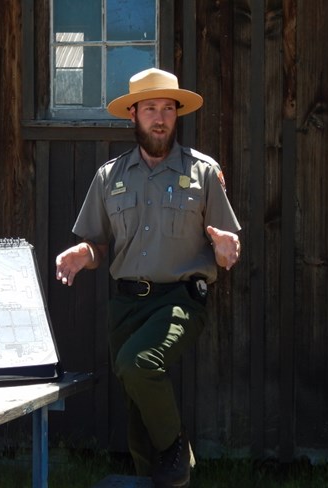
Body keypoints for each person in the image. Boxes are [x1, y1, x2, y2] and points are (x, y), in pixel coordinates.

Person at [55, 68, 241, 487]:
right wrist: (83, 253)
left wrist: (229, 250)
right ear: (133, 115)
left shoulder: (204, 172)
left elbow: (226, 243)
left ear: (177, 115)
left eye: (168, 109)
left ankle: (178, 449)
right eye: (151, 109)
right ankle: (155, 480)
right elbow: (99, 245)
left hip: (179, 299)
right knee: (138, 408)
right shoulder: (110, 176)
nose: (160, 118)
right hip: (126, 304)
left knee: (139, 365)